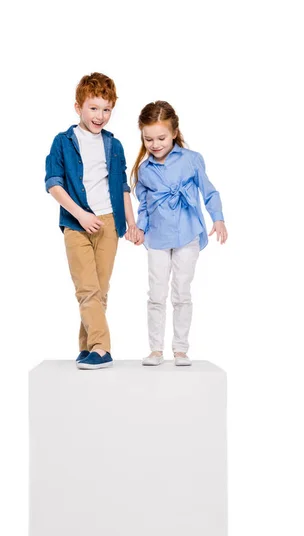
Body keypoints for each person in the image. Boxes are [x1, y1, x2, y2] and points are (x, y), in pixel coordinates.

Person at [45, 72, 138, 370]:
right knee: (86, 288)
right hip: (76, 224)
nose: (100, 116)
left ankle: (87, 347)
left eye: (106, 109)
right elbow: (54, 184)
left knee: (100, 289)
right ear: (78, 107)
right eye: (94, 108)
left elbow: (123, 187)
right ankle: (103, 348)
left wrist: (130, 223)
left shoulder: (115, 145)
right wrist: (81, 215)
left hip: (109, 222)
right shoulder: (63, 142)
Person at [131, 101, 228, 366]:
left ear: (174, 133)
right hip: (158, 239)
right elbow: (145, 205)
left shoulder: (191, 159)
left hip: (187, 234)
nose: (155, 144)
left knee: (182, 292)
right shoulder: (144, 169)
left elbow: (209, 191)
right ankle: (155, 349)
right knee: (156, 293)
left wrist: (217, 218)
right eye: (148, 139)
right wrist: (140, 228)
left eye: (161, 137)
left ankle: (181, 349)